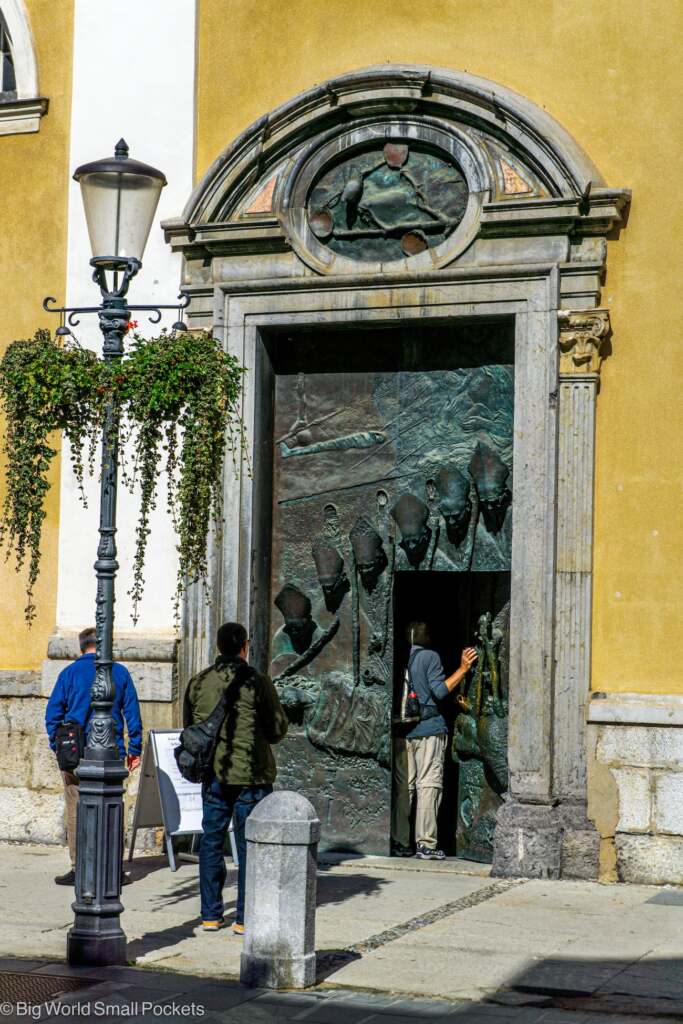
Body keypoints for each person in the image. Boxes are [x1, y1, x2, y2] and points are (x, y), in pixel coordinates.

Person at [183, 621, 288, 935]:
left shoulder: (198, 682)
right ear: (245, 646)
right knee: (249, 847)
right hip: (251, 777)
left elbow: (189, 729)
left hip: (213, 775)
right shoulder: (258, 682)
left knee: (211, 842)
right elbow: (277, 729)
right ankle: (244, 918)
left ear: (218, 646)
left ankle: (211, 915)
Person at [45, 626, 142, 886]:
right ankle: (113, 869)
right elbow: (132, 713)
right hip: (111, 752)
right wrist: (135, 749)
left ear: (81, 647)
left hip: (74, 753)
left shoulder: (69, 673)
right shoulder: (119, 672)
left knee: (76, 809)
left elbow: (52, 715)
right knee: (113, 807)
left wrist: (58, 746)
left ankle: (79, 867)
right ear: (104, 645)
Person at [392, 622, 477, 860]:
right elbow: (439, 691)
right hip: (428, 730)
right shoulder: (429, 656)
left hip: (401, 733)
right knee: (428, 785)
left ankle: (399, 842)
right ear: (425, 636)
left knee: (404, 788)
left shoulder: (397, 658)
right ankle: (426, 844)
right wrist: (463, 669)